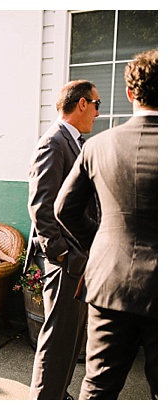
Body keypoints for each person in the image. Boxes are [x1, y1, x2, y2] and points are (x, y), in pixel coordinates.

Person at [56, 49, 157, 400]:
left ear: (130, 94)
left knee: (98, 387)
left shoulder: (98, 145)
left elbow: (64, 209)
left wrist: (101, 242)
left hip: (110, 282)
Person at [27, 79, 102, 400]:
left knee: (71, 340)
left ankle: (57, 394)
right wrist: (61, 256)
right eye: (97, 104)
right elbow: (41, 207)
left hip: (78, 259)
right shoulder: (53, 143)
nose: (99, 112)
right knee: (57, 341)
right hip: (64, 263)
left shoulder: (76, 142)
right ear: (81, 103)